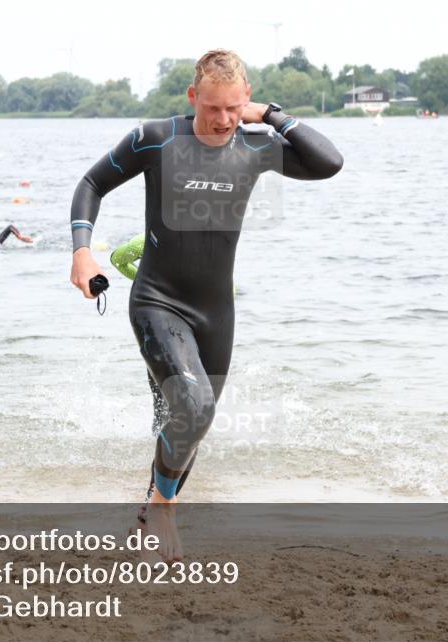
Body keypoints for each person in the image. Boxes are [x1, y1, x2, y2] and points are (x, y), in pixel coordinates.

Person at [69, 49, 342, 561]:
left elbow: (329, 162)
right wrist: (83, 252)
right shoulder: (158, 138)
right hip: (157, 301)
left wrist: (273, 115)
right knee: (194, 407)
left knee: (189, 421)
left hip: (216, 314)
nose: (222, 121)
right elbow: (91, 184)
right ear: (193, 96)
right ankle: (163, 510)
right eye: (213, 108)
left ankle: (146, 522)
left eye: (234, 109)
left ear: (248, 102)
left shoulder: (257, 146)